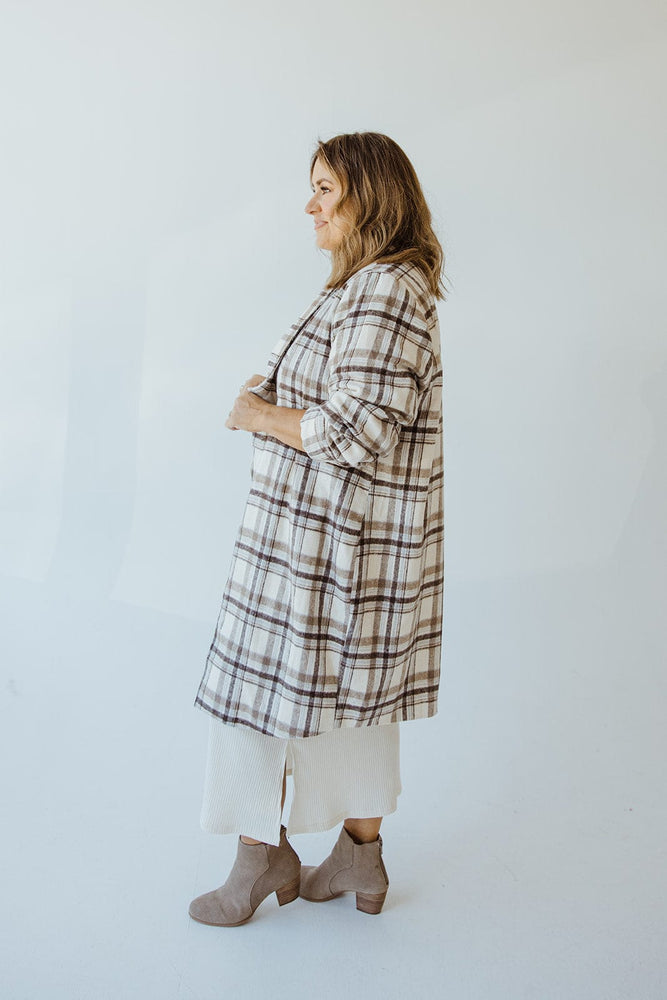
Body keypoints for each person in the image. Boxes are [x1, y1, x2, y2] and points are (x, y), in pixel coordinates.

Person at [189, 131, 446, 927]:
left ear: (370, 196)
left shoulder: (384, 292)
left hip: (327, 549)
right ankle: (357, 861)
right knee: (354, 701)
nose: (310, 206)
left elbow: (356, 429)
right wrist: (269, 398)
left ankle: (257, 863)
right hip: (339, 545)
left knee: (252, 702)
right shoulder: (367, 286)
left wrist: (261, 414)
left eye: (325, 190)